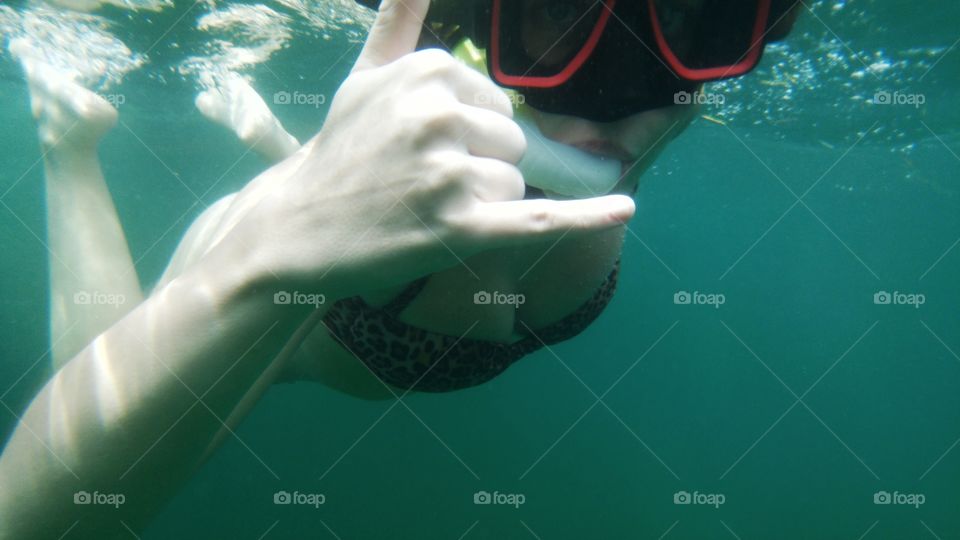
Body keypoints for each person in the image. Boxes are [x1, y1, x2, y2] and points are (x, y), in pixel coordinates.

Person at [0, 0, 800, 537]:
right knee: (99, 372)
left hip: (352, 236)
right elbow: (48, 518)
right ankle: (70, 142)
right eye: (559, 14)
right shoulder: (293, 258)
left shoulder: (613, 135)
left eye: (696, 18)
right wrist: (265, 256)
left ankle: (278, 145)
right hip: (296, 286)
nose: (624, 89)